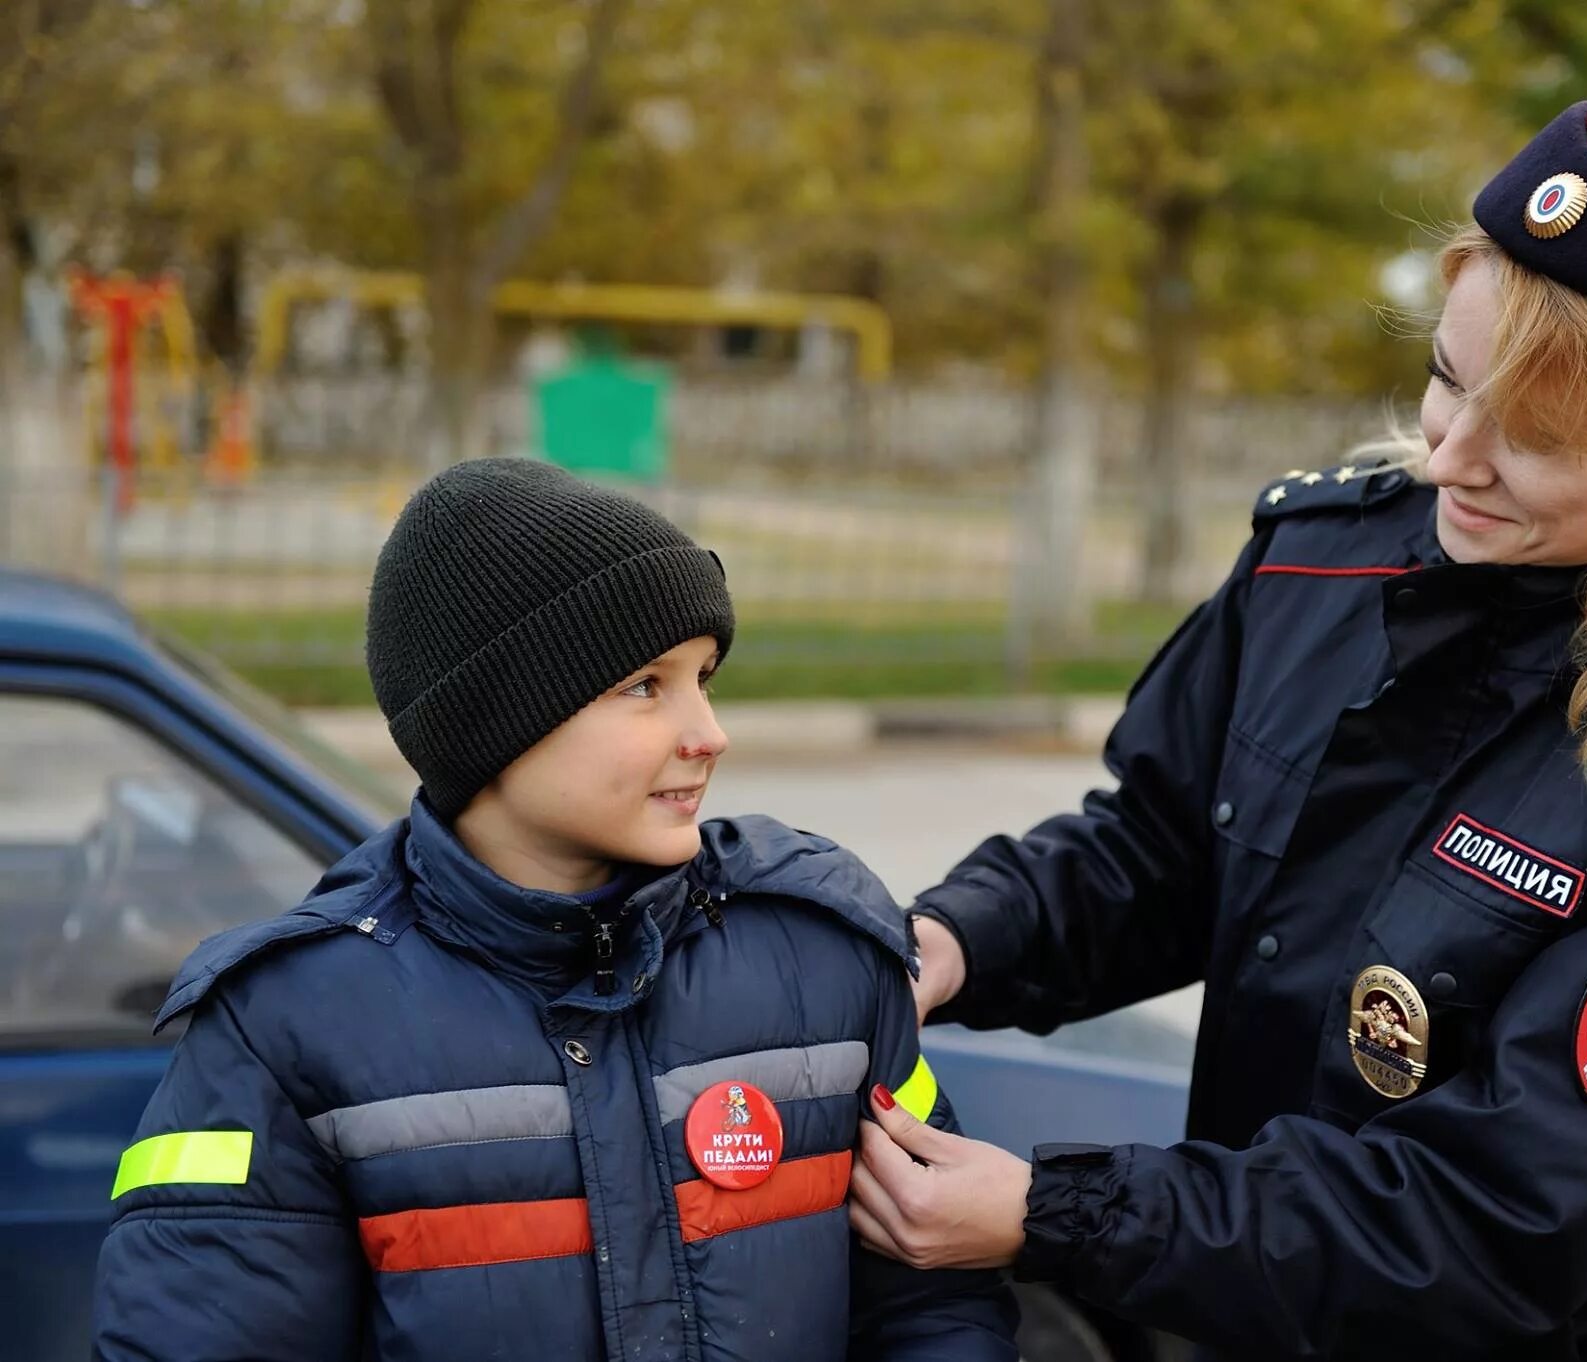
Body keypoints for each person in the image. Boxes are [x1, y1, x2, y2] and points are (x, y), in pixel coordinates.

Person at [850, 89, 1587, 1360]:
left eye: (1537, 438)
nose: (1449, 460)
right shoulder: (1319, 561)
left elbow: (1491, 1223)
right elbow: (1163, 850)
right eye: (1449, 380)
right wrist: (952, 939)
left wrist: (1050, 1213)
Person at [93, 458, 1018, 1362]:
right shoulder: (285, 1027)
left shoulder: (820, 952)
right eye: (645, 686)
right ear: (496, 721)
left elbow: (936, 1305)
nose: (709, 733)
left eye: (705, 677)